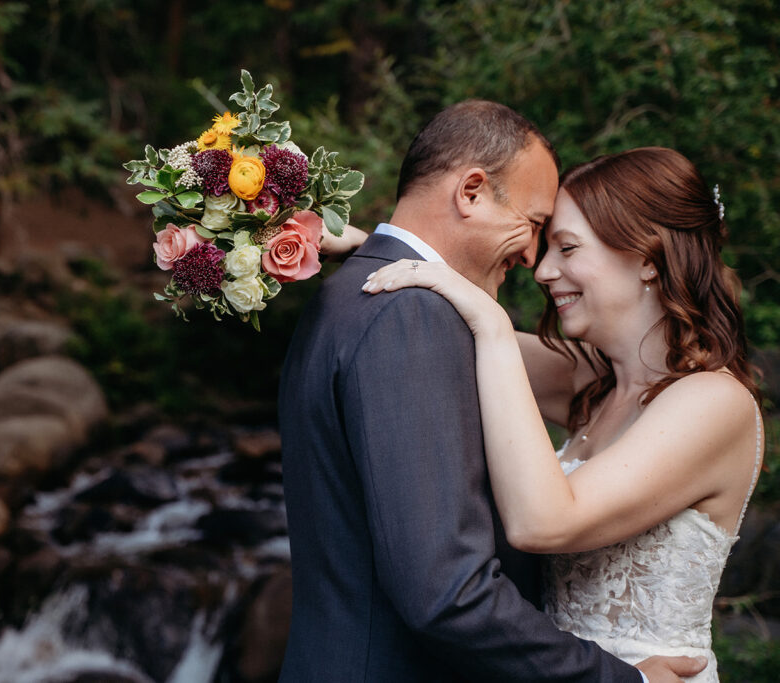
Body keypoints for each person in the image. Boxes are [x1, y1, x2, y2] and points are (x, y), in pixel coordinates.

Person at [279, 101, 704, 681]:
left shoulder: (360, 295)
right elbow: (447, 593)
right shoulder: (410, 319)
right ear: (471, 192)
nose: (536, 261)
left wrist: (367, 249)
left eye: (564, 246)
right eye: (535, 227)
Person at [362, 146, 762, 683]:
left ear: (648, 256)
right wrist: (366, 251)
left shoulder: (715, 403)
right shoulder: (594, 384)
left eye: (567, 248)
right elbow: (444, 322)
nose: (544, 270)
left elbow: (542, 523)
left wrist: (495, 324)